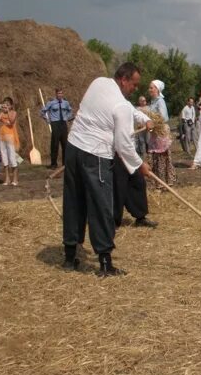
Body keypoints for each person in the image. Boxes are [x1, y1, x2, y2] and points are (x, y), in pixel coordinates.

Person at [62, 63, 151, 276]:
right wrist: (139, 165)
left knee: (74, 201)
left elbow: (124, 108)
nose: (135, 89)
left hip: (73, 148)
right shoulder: (120, 105)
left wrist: (144, 118)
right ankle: (104, 263)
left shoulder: (98, 83)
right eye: (134, 84)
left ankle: (69, 256)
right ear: (124, 79)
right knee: (101, 205)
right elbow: (123, 144)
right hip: (96, 156)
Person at [114, 103, 157, 229]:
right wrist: (139, 163)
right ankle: (113, 221)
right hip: (116, 152)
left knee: (138, 181)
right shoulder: (113, 106)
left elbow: (136, 113)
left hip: (129, 151)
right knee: (118, 186)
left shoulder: (125, 103)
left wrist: (147, 120)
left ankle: (140, 217)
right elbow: (121, 142)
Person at [147, 80, 176, 186]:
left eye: (151, 88)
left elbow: (163, 117)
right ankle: (158, 182)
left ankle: (164, 182)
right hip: (155, 132)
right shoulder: (153, 101)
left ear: (157, 89)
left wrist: (154, 122)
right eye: (149, 88)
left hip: (161, 132)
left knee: (162, 158)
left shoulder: (160, 101)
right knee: (155, 157)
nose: (149, 90)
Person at [40, 88, 74, 168]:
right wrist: (46, 119)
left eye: (61, 93)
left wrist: (68, 117)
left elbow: (70, 111)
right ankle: (54, 164)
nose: (60, 95)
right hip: (55, 123)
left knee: (65, 144)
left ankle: (65, 164)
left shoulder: (65, 103)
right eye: (59, 93)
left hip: (63, 124)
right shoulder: (51, 103)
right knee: (55, 144)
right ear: (56, 94)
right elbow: (42, 111)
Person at [0, 97, 20, 186]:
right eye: (4, 104)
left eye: (7, 104)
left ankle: (15, 178)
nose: (5, 106)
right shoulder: (2, 113)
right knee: (4, 157)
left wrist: (8, 111)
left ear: (11, 106)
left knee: (13, 158)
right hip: (3, 136)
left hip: (11, 136)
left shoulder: (13, 113)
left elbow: (11, 121)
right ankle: (7, 178)